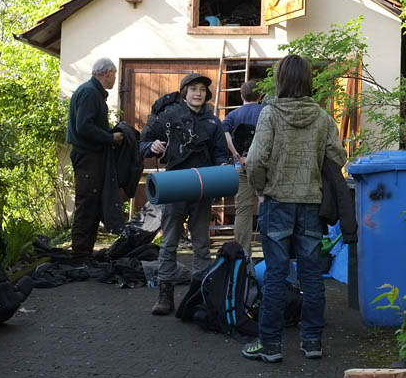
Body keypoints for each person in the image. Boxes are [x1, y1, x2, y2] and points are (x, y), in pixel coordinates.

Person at [242, 54, 347, 363]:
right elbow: (338, 157)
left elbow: (256, 160)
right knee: (312, 276)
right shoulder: (322, 117)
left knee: (275, 275)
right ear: (308, 81)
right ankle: (312, 342)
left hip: (277, 202)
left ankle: (271, 346)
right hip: (312, 205)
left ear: (281, 80)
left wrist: (261, 189)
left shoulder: (269, 114)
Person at [141, 73, 230, 315]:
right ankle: (165, 294)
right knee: (169, 242)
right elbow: (143, 143)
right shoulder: (168, 116)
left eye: (202, 89)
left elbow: (221, 153)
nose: (198, 93)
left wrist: (223, 166)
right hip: (175, 187)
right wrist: (152, 146)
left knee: (201, 244)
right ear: (184, 92)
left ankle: (200, 294)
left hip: (202, 189)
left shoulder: (213, 123)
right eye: (193, 89)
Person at [66, 58, 124, 261]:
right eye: (114, 75)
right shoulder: (90, 93)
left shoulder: (91, 92)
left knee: (91, 203)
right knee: (87, 203)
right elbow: (84, 127)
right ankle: (80, 255)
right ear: (107, 73)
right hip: (87, 156)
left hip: (91, 156)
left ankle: (85, 253)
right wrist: (110, 137)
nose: (115, 80)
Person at [221, 80, 264, 254]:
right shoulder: (265, 112)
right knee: (266, 204)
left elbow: (223, 132)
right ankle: (269, 251)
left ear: (241, 96)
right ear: (260, 96)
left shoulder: (234, 114)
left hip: (241, 166)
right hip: (262, 166)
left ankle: (242, 254)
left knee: (243, 210)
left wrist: (236, 154)